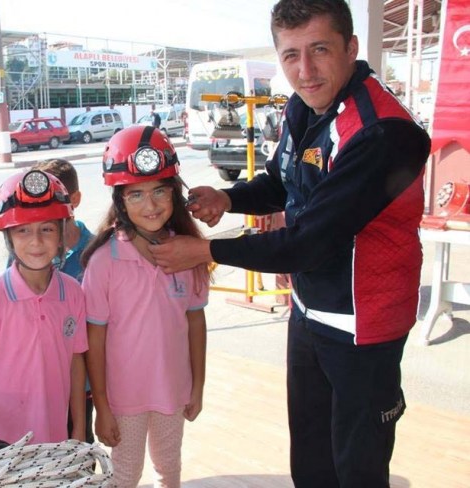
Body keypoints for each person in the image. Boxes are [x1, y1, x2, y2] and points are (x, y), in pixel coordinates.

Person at [149, 1, 431, 487]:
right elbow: (284, 183)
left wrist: (206, 251)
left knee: (358, 468)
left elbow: (308, 243)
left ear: (351, 48)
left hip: (364, 327)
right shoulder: (304, 106)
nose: (305, 71)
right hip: (307, 310)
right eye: (291, 55)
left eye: (320, 50)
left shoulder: (383, 133)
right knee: (311, 460)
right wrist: (229, 198)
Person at [81, 125, 210, 488]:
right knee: (125, 475)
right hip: (124, 398)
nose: (150, 206)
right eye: (135, 194)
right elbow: (95, 339)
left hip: (173, 388)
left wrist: (198, 386)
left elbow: (195, 322)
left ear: (174, 194)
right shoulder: (104, 262)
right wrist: (102, 405)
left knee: (169, 469)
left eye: (159, 191)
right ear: (120, 201)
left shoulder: (189, 253)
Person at [0, 169, 88, 444]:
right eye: (23, 230)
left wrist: (78, 428)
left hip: (54, 438)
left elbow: (76, 362)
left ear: (61, 234)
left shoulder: (73, 293)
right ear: (9, 237)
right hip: (0, 444)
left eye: (47, 229)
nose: (36, 241)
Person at [31, 159, 95, 444]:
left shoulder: (96, 254)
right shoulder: (25, 253)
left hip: (81, 385)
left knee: (79, 449)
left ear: (75, 200)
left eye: (53, 200)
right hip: (36, 384)